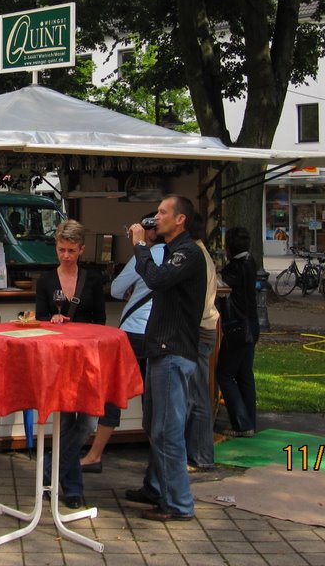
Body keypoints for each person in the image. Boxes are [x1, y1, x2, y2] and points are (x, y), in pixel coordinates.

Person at [126, 195, 206, 522]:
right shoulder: (175, 251)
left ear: (180, 219)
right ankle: (155, 487)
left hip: (173, 352)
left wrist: (140, 246)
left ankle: (179, 504)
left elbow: (156, 279)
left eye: (162, 212)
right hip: (161, 350)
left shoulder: (188, 253)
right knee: (153, 425)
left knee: (167, 431)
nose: (156, 217)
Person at [80, 211, 163, 473]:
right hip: (160, 333)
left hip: (133, 333)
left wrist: (132, 289)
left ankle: (95, 454)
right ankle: (159, 460)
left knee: (113, 395)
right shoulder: (180, 255)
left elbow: (116, 289)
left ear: (148, 232)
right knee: (155, 400)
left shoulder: (143, 257)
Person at [33, 219, 106, 509]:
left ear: (81, 250)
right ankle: (73, 488)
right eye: (61, 249)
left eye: (71, 250)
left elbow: (100, 320)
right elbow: (39, 317)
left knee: (87, 422)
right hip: (58, 358)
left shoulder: (93, 279)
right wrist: (50, 319)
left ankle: (49, 471)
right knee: (64, 422)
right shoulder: (46, 281)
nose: (66, 255)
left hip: (87, 356)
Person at [217, 226, 260, 437]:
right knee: (244, 374)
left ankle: (242, 423)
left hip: (237, 327)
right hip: (252, 325)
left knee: (224, 374)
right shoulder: (250, 262)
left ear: (229, 248)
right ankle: (249, 420)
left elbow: (217, 285)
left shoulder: (234, 268)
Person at [185, 212, 219, 472]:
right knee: (196, 396)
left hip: (198, 332)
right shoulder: (200, 254)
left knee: (197, 397)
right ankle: (200, 454)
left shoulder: (194, 257)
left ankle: (202, 456)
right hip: (203, 330)